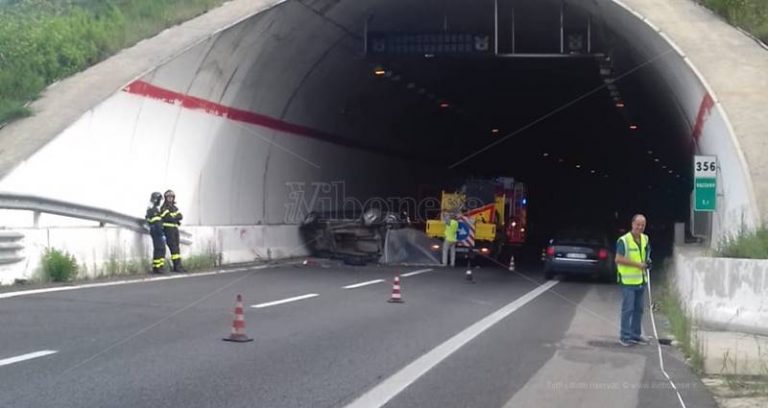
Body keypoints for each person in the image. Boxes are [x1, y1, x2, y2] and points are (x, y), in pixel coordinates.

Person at [615, 214, 652, 346]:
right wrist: (638, 265)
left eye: (643, 225)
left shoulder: (645, 238)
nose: (640, 227)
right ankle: (624, 337)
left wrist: (648, 261)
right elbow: (618, 259)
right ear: (632, 224)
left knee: (639, 309)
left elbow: (646, 254)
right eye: (638, 224)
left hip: (641, 280)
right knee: (628, 309)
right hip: (628, 282)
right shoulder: (623, 240)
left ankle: (635, 336)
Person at [161, 189, 185, 273]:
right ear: (166, 198)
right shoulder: (164, 207)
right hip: (168, 230)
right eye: (168, 197)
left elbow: (180, 216)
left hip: (175, 230)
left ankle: (178, 266)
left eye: (171, 197)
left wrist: (174, 218)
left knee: (177, 248)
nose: (170, 199)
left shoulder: (174, 207)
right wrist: (175, 218)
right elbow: (168, 217)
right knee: (173, 248)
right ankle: (176, 266)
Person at [145, 192, 166, 274]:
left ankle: (158, 267)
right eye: (159, 200)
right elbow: (157, 223)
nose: (160, 202)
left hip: (156, 232)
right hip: (157, 232)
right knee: (160, 249)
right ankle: (158, 268)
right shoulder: (154, 210)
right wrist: (162, 234)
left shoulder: (151, 209)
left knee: (160, 249)